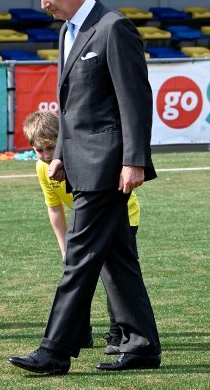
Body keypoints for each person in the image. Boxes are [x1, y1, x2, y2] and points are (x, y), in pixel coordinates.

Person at [8, 0, 161, 375]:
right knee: (117, 259)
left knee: (78, 256)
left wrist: (134, 161)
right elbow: (71, 107)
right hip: (81, 162)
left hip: (107, 166)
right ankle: (142, 345)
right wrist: (59, 155)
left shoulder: (114, 28)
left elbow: (135, 101)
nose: (43, 3)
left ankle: (56, 349)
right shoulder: (67, 32)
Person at [22, 110, 141, 355]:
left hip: (122, 214)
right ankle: (81, 332)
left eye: (50, 148)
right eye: (38, 150)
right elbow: (54, 208)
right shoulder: (42, 169)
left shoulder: (80, 158)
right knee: (77, 271)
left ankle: (117, 334)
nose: (45, 156)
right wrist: (64, 247)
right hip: (87, 218)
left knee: (113, 275)